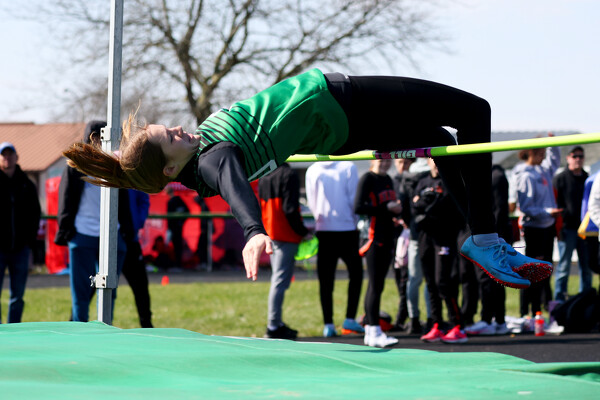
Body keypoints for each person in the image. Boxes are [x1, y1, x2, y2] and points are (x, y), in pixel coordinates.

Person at [61, 68, 551, 290]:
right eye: (169, 137)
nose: (176, 129)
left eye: (167, 127)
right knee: (474, 111)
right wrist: (253, 231)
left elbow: (161, 168)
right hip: (345, 100)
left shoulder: (193, 158)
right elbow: (232, 181)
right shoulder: (210, 159)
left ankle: (480, 239)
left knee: (438, 138)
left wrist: (117, 158)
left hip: (342, 128)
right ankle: (485, 237)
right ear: (171, 168)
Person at [55, 121, 132, 322]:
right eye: (95, 137)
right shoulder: (75, 166)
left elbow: (124, 202)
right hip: (82, 234)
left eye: (102, 137)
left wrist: (127, 231)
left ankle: (104, 329)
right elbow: (65, 199)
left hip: (112, 236)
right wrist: (66, 230)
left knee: (108, 292)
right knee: (80, 295)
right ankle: (79, 333)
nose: (98, 142)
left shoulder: (116, 165)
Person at [305, 161, 364, 337]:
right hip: (346, 229)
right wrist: (352, 221)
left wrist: (321, 220)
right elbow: (353, 198)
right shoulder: (348, 167)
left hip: (325, 229)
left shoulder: (312, 169)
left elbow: (311, 201)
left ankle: (329, 324)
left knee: (326, 280)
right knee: (355, 275)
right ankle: (348, 319)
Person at [414, 158, 467, 344]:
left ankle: (457, 325)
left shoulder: (450, 181)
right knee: (431, 284)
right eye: (432, 159)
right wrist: (426, 204)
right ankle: (436, 324)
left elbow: (447, 207)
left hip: (444, 237)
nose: (435, 163)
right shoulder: (422, 181)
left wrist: (428, 204)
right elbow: (415, 206)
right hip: (425, 237)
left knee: (443, 282)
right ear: (428, 161)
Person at [259, 163, 309, 340]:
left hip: (271, 232)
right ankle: (273, 325)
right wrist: (303, 231)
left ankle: (276, 323)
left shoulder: (264, 174)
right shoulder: (288, 174)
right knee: (279, 281)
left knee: (278, 280)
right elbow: (290, 209)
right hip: (285, 234)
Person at [354, 159, 401, 347]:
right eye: (382, 160)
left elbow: (387, 207)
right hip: (372, 238)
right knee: (375, 284)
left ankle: (371, 331)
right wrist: (386, 208)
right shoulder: (367, 178)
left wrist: (395, 213)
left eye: (388, 160)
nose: (385, 164)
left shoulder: (388, 179)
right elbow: (358, 207)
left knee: (377, 285)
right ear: (373, 160)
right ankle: (373, 329)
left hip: (386, 236)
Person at [514, 144, 561, 318]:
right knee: (533, 271)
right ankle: (527, 311)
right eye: (541, 154)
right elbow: (526, 207)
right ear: (532, 154)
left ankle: (541, 310)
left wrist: (553, 144)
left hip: (547, 227)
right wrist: (547, 212)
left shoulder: (543, 170)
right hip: (535, 230)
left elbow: (554, 161)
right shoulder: (526, 175)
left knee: (546, 270)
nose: (543, 158)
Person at [465, 164, 511, 335]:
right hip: (490, 234)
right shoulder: (487, 175)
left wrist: (491, 237)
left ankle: (489, 319)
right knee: (493, 278)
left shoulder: (495, 176)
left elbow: (499, 209)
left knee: (488, 277)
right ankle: (498, 320)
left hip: (491, 236)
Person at [0, 142, 41, 323]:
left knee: (17, 296)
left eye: (10, 154)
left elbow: (35, 215)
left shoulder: (26, 184)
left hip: (20, 249)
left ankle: (13, 329)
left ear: (17, 157)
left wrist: (30, 246)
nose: (7, 158)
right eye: (4, 154)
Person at [391, 158, 430, 334]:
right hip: (431, 233)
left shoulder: (407, 177)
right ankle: (432, 318)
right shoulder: (430, 174)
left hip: (415, 231)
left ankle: (414, 318)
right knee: (430, 280)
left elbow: (404, 206)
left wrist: (409, 223)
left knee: (413, 279)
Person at [553, 146, 592, 302]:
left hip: (584, 230)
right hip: (566, 228)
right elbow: (554, 203)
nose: (578, 159)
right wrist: (559, 227)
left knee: (586, 267)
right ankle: (559, 302)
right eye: (575, 156)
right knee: (563, 267)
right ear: (568, 158)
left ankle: (586, 302)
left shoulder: (587, 178)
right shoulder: (560, 178)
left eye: (581, 156)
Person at [123, 189, 154, 328]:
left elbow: (143, 200)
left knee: (141, 286)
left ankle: (147, 326)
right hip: (104, 241)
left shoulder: (132, 178)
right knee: (94, 284)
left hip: (130, 240)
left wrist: (137, 222)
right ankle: (75, 321)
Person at [166, 185, 189, 268]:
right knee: (174, 246)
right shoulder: (170, 202)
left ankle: (178, 264)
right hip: (173, 228)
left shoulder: (177, 200)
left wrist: (181, 222)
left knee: (177, 246)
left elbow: (187, 211)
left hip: (176, 229)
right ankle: (176, 264)